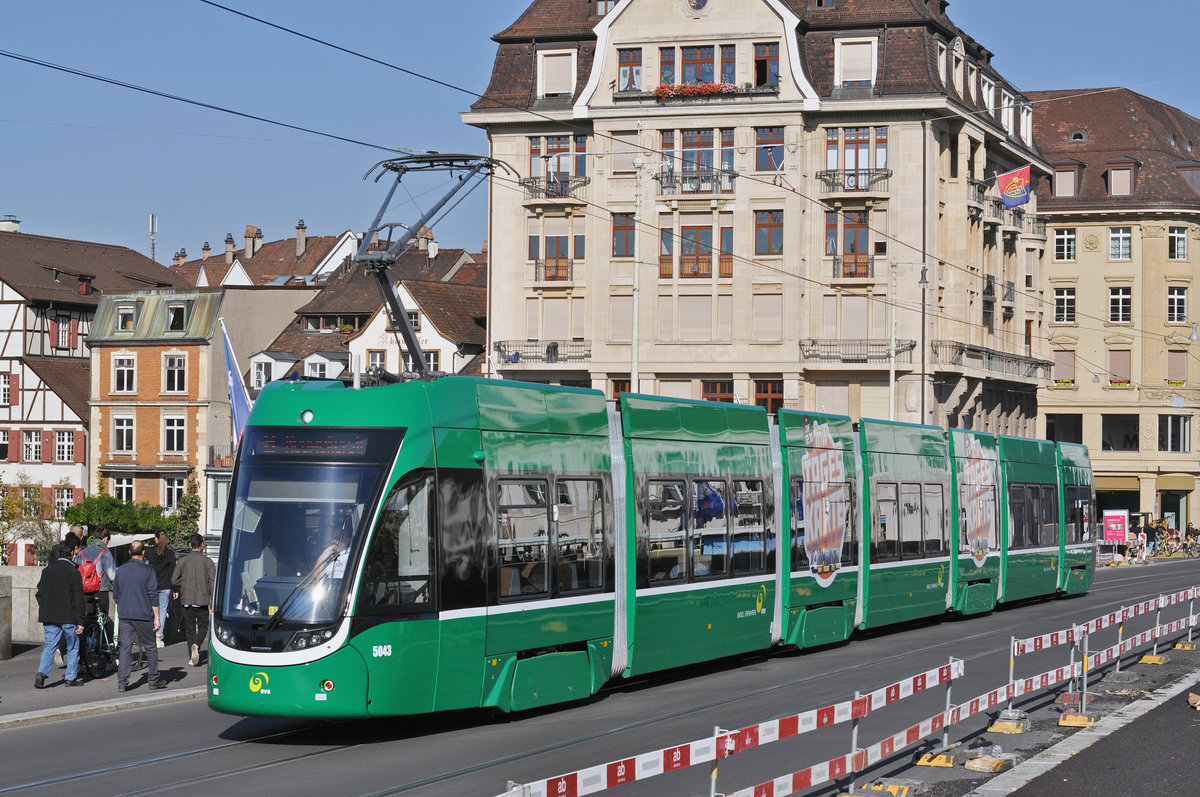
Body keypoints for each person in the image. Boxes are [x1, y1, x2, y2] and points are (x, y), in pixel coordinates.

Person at [114, 540, 166, 692]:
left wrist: (123, 605)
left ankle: (122, 682)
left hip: (125, 614)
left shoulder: (121, 570)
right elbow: (153, 595)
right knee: (150, 647)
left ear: (129, 552)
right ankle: (153, 679)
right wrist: (157, 617)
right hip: (144, 614)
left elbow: (116, 594)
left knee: (125, 648)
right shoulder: (148, 571)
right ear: (143, 552)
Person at [35, 534, 86, 688]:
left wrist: (46, 607)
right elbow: (78, 598)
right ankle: (70, 678)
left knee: (50, 646)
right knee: (73, 647)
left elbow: (39, 593)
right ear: (71, 553)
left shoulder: (47, 571)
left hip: (49, 616)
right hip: (69, 616)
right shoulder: (73, 572)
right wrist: (81, 620)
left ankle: (41, 673)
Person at [172, 534, 216, 667]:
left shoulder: (183, 561)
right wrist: (212, 603)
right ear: (202, 545)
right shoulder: (208, 562)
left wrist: (184, 584)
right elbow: (213, 583)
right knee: (203, 626)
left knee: (189, 629)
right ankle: (196, 645)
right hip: (202, 600)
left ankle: (192, 657)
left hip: (187, 599)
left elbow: (174, 580)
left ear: (190, 545)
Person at [145, 531, 177, 648]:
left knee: (150, 610)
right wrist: (175, 589)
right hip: (166, 586)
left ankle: (149, 635)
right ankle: (158, 638)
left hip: (151, 585)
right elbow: (173, 572)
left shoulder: (150, 551)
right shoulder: (170, 554)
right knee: (162, 611)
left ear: (156, 539)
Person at [81, 529, 117, 616]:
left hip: (84, 590)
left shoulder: (82, 552)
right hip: (101, 590)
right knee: (102, 619)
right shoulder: (106, 553)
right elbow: (112, 576)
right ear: (105, 538)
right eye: (108, 541)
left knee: (86, 618)